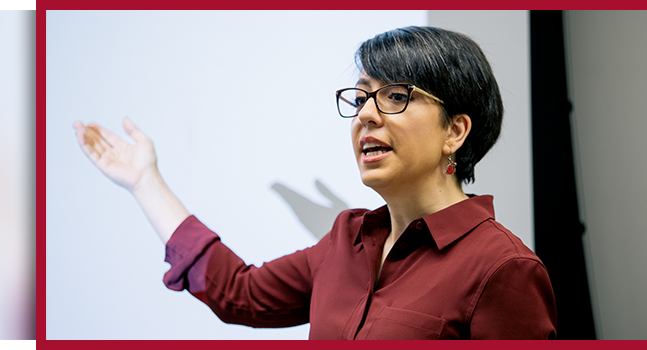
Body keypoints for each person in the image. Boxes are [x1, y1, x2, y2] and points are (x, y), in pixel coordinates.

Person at [73, 26, 556, 339]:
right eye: (361, 97)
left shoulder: (502, 269)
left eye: (393, 96)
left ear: (455, 130)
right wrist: (145, 182)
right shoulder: (348, 240)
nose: (365, 114)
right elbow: (238, 292)